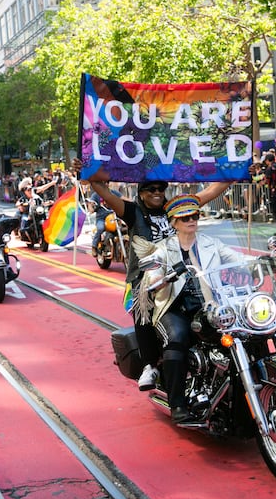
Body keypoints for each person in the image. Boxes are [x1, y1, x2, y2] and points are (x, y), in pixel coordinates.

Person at [85, 162, 231, 392]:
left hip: (183, 274)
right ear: (141, 193)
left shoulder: (177, 208)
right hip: (146, 277)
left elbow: (210, 192)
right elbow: (104, 193)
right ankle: (149, 365)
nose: (156, 193)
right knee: (143, 306)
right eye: (151, 189)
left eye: (160, 189)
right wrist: (87, 171)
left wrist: (235, 172)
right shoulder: (132, 211)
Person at [137, 194, 251, 423]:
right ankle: (177, 403)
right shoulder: (163, 248)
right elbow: (151, 273)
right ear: (173, 222)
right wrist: (160, 278)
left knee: (245, 331)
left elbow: (238, 259)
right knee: (177, 338)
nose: (191, 220)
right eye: (185, 217)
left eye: (195, 216)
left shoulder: (211, 243)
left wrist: (265, 262)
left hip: (211, 306)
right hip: (175, 307)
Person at [87, 188, 122, 257]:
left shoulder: (113, 192)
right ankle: (94, 246)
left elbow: (123, 198)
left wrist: (132, 202)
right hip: (101, 218)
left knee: (125, 227)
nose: (105, 184)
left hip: (113, 215)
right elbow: (91, 203)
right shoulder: (96, 194)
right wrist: (91, 207)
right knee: (100, 228)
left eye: (106, 182)